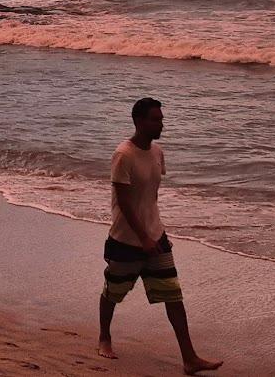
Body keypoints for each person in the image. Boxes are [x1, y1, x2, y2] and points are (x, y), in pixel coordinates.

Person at [96, 98, 221, 374]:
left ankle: (189, 358)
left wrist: (157, 232)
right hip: (125, 241)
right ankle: (105, 337)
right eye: (155, 119)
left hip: (156, 238)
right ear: (139, 122)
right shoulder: (123, 154)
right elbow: (125, 203)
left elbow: (150, 197)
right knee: (113, 292)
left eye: (161, 119)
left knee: (173, 296)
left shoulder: (157, 152)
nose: (161, 124)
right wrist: (143, 237)